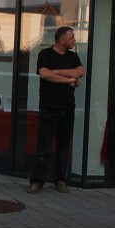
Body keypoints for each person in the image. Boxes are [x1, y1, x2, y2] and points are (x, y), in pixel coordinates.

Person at [28, 26, 85, 194]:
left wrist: (57, 72)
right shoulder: (44, 54)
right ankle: (37, 181)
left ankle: (60, 180)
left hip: (68, 107)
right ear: (62, 40)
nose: (74, 40)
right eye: (71, 37)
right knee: (43, 147)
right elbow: (45, 74)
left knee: (63, 146)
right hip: (49, 107)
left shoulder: (73, 56)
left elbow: (80, 71)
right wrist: (68, 80)